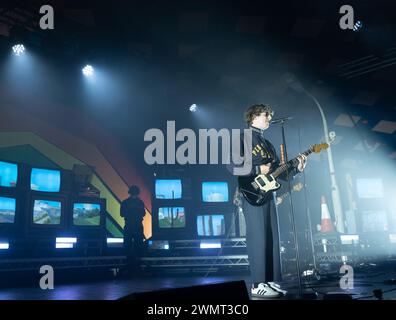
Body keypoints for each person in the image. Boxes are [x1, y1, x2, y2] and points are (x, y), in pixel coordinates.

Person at [236, 104, 307, 298]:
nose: (269, 118)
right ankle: (257, 284)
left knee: (272, 238)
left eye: (269, 115)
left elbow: (278, 171)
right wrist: (258, 170)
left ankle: (270, 281)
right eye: (265, 115)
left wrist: (296, 168)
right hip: (252, 194)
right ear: (253, 117)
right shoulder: (242, 138)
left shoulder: (267, 142)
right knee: (258, 238)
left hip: (268, 193)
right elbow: (233, 165)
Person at [120, 185, 147, 273]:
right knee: (138, 246)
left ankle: (129, 265)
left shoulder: (125, 202)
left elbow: (122, 214)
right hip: (137, 226)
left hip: (129, 226)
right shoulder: (140, 202)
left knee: (127, 246)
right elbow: (143, 214)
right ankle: (137, 266)